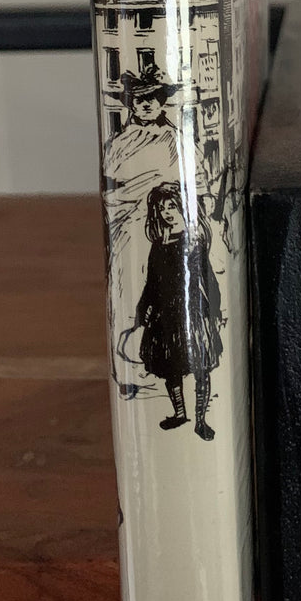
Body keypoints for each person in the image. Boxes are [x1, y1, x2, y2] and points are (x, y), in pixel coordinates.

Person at [102, 62, 213, 398]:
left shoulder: (176, 140)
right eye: (139, 99)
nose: (147, 104)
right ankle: (125, 370)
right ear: (131, 104)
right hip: (127, 235)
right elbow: (109, 192)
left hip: (164, 237)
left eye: (153, 98)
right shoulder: (119, 144)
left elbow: (198, 185)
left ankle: (167, 367)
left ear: (162, 102)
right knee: (125, 295)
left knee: (165, 298)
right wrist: (139, 189)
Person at [128, 182, 223, 441]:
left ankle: (201, 420)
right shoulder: (158, 244)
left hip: (191, 313)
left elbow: (207, 278)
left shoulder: (193, 241)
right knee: (171, 368)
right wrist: (143, 309)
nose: (167, 212)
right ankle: (180, 413)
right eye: (162, 208)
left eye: (171, 206)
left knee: (201, 368)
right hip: (164, 316)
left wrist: (214, 309)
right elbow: (152, 282)